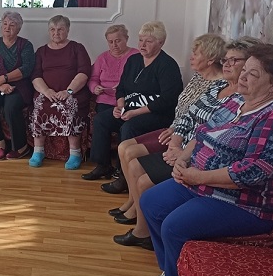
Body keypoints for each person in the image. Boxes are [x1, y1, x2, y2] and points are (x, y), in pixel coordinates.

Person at [140, 43, 273, 276]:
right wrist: (183, 159)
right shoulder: (236, 101)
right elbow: (203, 131)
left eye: (253, 74)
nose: (243, 76)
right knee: (151, 202)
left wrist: (197, 176)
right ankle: (172, 269)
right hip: (202, 184)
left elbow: (252, 171)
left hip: (243, 202)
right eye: (244, 69)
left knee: (174, 227)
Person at [112, 37, 259, 250]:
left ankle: (142, 231)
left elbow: (211, 135)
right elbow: (189, 114)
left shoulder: (240, 100)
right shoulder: (218, 86)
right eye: (226, 59)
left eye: (234, 61)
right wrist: (175, 143)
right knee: (130, 156)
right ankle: (136, 215)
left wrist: (182, 153)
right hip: (182, 142)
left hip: (196, 155)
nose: (227, 64)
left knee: (141, 176)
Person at [103, 33, 227, 196]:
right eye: (141, 40)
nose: (191, 57)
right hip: (175, 129)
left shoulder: (219, 87)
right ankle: (126, 193)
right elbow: (184, 111)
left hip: (185, 138)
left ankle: (130, 194)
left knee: (130, 143)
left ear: (210, 59)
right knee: (123, 145)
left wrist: (176, 140)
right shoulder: (198, 77)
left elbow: (199, 122)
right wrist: (174, 129)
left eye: (196, 54)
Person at [82, 21, 183, 180]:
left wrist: (135, 112)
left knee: (129, 127)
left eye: (148, 41)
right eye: (141, 40)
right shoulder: (133, 60)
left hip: (156, 113)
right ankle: (103, 166)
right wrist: (120, 106)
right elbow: (121, 87)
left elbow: (168, 99)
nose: (142, 45)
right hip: (130, 108)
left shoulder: (168, 65)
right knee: (101, 119)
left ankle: (124, 174)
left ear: (161, 42)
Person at [28, 15, 92, 169]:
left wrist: (68, 91)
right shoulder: (41, 51)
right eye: (52, 29)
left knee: (69, 105)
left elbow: (84, 72)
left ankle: (75, 152)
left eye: (60, 29)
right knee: (39, 105)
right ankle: (38, 151)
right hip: (47, 92)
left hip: (73, 92)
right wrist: (46, 91)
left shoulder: (77, 48)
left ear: (68, 30)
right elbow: (35, 75)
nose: (56, 33)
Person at [0, 11, 35, 160]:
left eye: (12, 25)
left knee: (11, 107)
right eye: (5, 24)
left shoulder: (26, 45)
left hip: (18, 85)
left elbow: (27, 68)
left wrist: (4, 78)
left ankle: (21, 147)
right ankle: (0, 144)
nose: (7, 27)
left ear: (19, 28)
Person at [88, 24, 140, 113]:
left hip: (129, 98)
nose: (114, 45)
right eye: (110, 42)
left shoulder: (137, 55)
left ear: (126, 39)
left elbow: (142, 78)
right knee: (103, 118)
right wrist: (95, 87)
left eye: (117, 41)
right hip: (105, 99)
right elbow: (93, 78)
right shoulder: (102, 58)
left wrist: (124, 86)